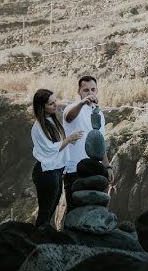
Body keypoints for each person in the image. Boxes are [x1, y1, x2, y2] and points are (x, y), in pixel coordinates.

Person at [30, 89, 82, 227]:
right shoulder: (38, 126)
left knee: (50, 210)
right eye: (51, 103)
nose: (55, 105)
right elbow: (51, 148)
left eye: (55, 101)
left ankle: (42, 238)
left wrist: (70, 140)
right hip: (46, 172)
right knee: (45, 212)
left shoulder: (52, 121)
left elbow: (58, 145)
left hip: (56, 171)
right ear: (42, 107)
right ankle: (39, 241)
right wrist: (69, 139)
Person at [63, 75, 114, 211]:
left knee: (94, 211)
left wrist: (107, 167)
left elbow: (99, 143)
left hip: (94, 170)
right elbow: (68, 117)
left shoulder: (99, 115)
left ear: (97, 91)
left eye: (93, 89)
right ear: (79, 92)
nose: (90, 93)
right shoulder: (72, 108)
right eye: (85, 90)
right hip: (74, 170)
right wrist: (82, 103)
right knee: (74, 211)